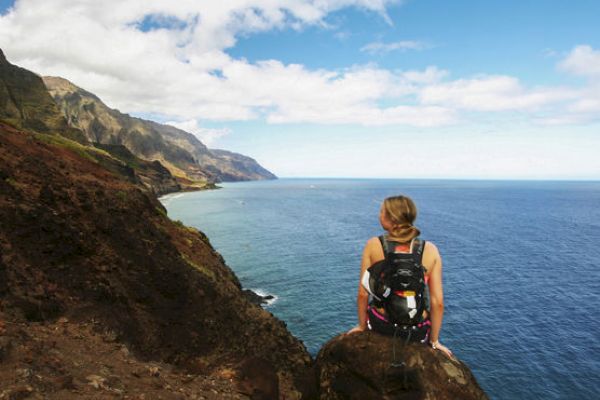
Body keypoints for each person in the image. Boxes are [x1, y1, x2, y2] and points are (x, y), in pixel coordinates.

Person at [347, 195, 453, 358]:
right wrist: (435, 341)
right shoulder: (430, 250)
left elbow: (363, 294)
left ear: (391, 218)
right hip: (417, 330)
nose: (378, 215)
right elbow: (437, 303)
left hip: (383, 325)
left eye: (381, 212)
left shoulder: (374, 245)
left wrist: (362, 326)